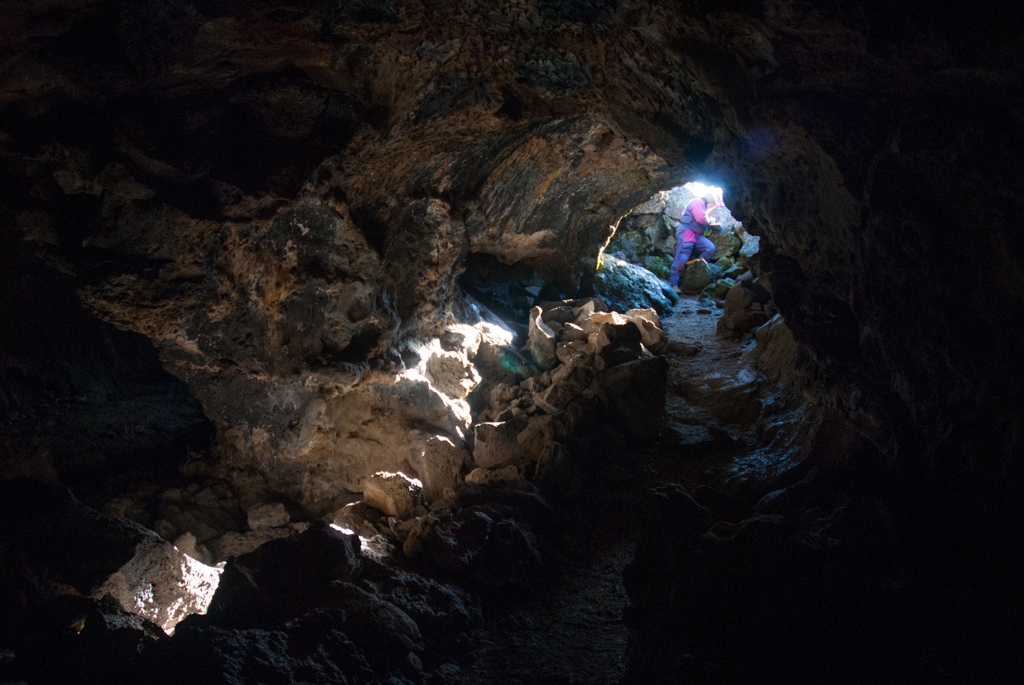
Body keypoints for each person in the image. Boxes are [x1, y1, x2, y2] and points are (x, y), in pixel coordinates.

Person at [668, 192, 719, 292]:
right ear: (710, 200)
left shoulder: (704, 208)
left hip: (697, 235)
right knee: (682, 256)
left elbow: (703, 221)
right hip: (687, 232)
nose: (714, 206)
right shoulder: (698, 201)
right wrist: (710, 221)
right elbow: (701, 218)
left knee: (709, 248)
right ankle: (673, 284)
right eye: (714, 204)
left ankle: (695, 271)